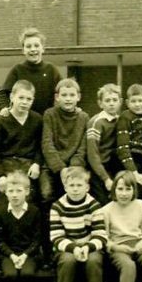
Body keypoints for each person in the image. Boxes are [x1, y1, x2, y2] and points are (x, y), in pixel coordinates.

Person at [49, 166, 108, 282]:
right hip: (67, 247)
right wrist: (74, 248)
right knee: (67, 261)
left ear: (87, 187)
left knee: (94, 261)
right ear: (65, 187)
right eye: (71, 185)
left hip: (89, 246)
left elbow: (101, 235)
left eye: (79, 185)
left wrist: (87, 247)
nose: (75, 189)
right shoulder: (57, 206)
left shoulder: (94, 205)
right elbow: (56, 236)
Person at [41, 78, 90, 267]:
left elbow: (83, 147)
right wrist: (60, 169)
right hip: (52, 165)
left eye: (72, 95)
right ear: (57, 97)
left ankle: (74, 247)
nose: (68, 99)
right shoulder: (50, 114)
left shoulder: (83, 117)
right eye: (64, 95)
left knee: (76, 197)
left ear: (79, 97)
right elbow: (47, 144)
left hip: (74, 167)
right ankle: (48, 252)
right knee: (46, 195)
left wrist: (72, 169)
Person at [0, 171, 42, 282]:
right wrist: (13, 256)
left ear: (26, 192)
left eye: (19, 191)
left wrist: (25, 255)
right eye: (11, 191)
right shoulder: (1, 213)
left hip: (29, 254)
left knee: (27, 273)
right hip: (9, 254)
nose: (14, 195)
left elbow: (37, 239)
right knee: (11, 274)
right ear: (5, 192)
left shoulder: (34, 212)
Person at [0, 80, 44, 200]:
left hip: (28, 164)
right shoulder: (0, 122)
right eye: (21, 97)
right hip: (7, 163)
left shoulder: (37, 120)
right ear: (12, 97)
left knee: (31, 197)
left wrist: (37, 164)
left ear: (33, 100)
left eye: (29, 99)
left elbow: (40, 146)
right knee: (7, 196)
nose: (24, 102)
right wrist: (0, 175)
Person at [0, 27, 62, 116]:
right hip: (22, 120)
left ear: (43, 49)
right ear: (23, 50)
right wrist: (4, 108)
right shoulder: (17, 70)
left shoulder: (51, 70)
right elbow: (2, 94)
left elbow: (64, 91)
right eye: (28, 46)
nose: (33, 49)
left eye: (36, 45)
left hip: (45, 120)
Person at [86, 83, 123, 206]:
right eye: (107, 100)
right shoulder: (96, 122)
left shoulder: (120, 120)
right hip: (98, 168)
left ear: (120, 102)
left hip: (113, 165)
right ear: (100, 103)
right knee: (103, 202)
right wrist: (106, 178)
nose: (111, 103)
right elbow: (92, 155)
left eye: (114, 100)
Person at [116, 83, 142, 203]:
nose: (137, 104)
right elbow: (122, 148)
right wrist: (134, 173)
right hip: (130, 160)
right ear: (127, 103)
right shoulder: (125, 117)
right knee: (136, 190)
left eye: (140, 100)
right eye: (133, 101)